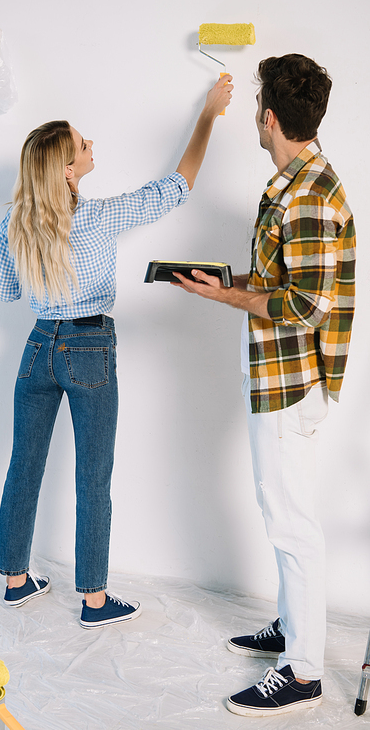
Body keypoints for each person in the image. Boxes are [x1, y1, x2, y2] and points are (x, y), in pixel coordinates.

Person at [0, 75, 233, 628]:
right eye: (83, 144)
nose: (91, 144)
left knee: (23, 466)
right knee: (93, 475)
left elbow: (4, 291)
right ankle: (94, 601)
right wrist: (208, 116)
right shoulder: (99, 218)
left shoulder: (14, 223)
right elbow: (177, 186)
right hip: (90, 346)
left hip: (37, 347)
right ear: (69, 170)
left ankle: (15, 580)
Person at [171, 54, 355, 715]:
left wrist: (227, 300)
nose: (254, 117)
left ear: (269, 118)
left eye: (255, 110)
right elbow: (280, 284)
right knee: (281, 508)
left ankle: (302, 670)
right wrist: (226, 284)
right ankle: (292, 623)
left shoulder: (308, 194)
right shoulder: (291, 180)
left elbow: (306, 304)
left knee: (291, 521)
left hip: (291, 383)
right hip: (275, 377)